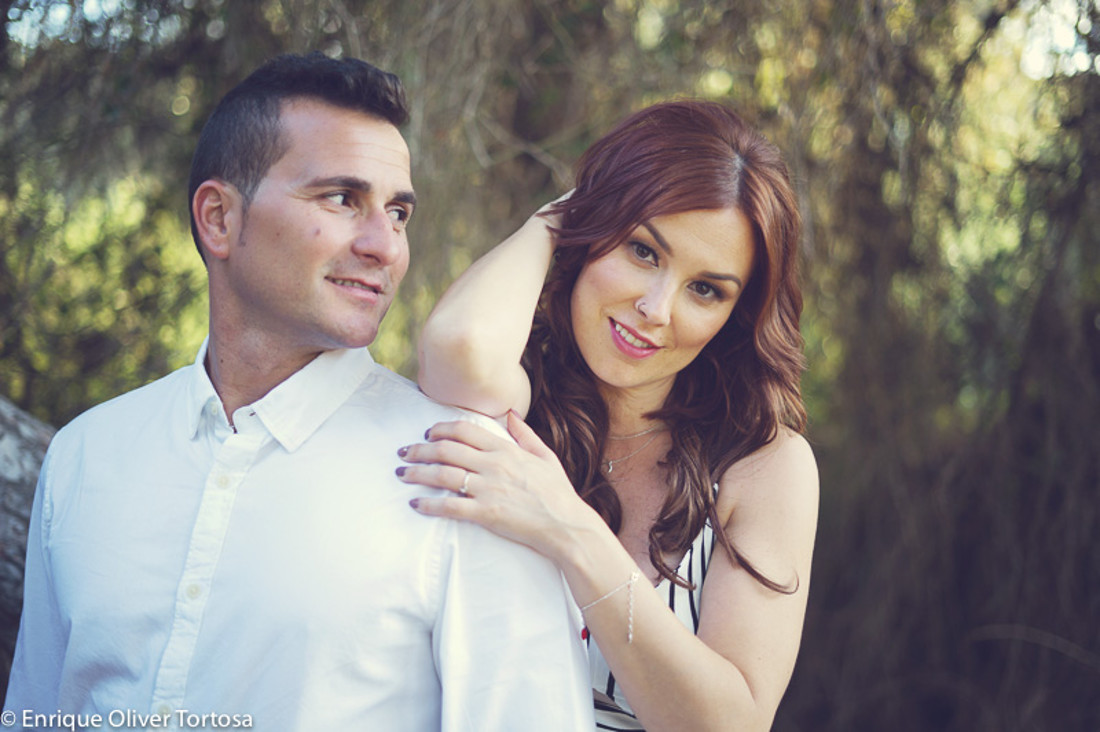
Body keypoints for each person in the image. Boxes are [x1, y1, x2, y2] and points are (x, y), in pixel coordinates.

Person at [3, 53, 593, 731]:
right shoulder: (85, 454)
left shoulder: (467, 471)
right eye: (342, 199)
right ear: (219, 219)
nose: (386, 247)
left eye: (398, 213)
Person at [397, 100, 819, 731]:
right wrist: (557, 218)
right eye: (643, 251)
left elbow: (733, 725)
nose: (656, 308)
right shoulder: (521, 396)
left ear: (735, 315)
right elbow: (460, 349)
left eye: (705, 289)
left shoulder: (762, 465)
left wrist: (571, 529)